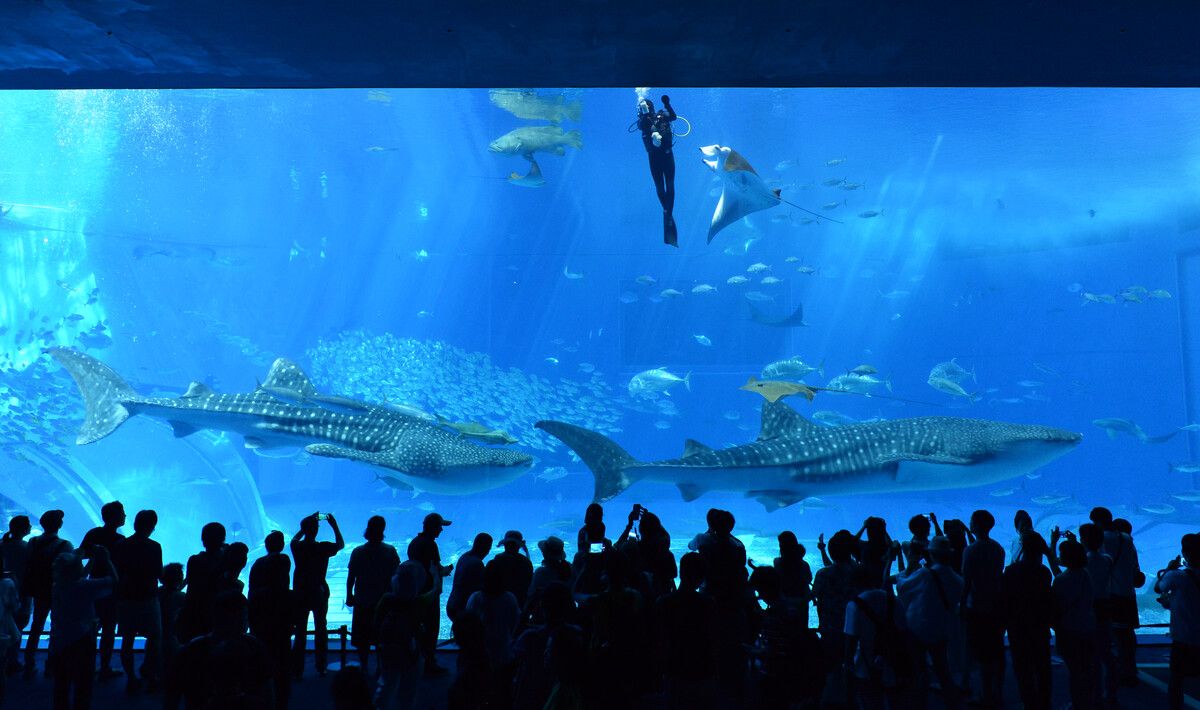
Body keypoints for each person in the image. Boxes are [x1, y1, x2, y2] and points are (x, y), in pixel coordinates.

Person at [165, 593, 274, 709]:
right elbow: (268, 695)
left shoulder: (192, 649)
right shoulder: (255, 647)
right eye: (242, 617)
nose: (244, 622)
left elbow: (172, 697)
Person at [896, 535, 964, 709]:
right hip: (941, 630)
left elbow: (903, 587)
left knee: (920, 670)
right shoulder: (958, 580)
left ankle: (921, 703)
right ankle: (952, 702)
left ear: (931, 554)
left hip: (918, 630)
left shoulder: (925, 574)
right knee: (943, 668)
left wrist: (908, 565)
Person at [51, 546, 116, 710]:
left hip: (60, 638)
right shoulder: (85, 587)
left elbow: (76, 576)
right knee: (84, 681)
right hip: (83, 637)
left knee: (61, 681)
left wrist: (90, 561)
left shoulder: (57, 585)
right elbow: (115, 582)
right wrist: (106, 560)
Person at [656, 552, 719, 710]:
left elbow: (660, 639)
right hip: (703, 668)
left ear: (680, 571)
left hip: (674, 668)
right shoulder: (709, 603)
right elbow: (713, 637)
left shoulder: (664, 602)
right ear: (702, 577)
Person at [112, 509, 163, 694]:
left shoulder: (121, 545)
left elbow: (116, 572)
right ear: (152, 526)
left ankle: (131, 678)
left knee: (127, 639)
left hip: (126, 598)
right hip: (148, 597)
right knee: (155, 637)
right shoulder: (154, 546)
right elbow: (159, 573)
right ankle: (149, 674)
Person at [1091, 506, 1143, 686]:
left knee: (1111, 634)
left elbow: (1096, 563)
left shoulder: (1103, 540)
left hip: (1111, 594)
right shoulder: (1127, 539)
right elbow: (1136, 566)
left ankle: (1117, 672)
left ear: (1097, 522)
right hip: (1128, 593)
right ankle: (1130, 668)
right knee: (1127, 634)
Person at [1003, 532, 1053, 710]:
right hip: (1039, 626)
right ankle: (1045, 703)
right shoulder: (1044, 573)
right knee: (1042, 667)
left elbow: (1005, 600)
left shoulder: (1011, 571)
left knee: (1023, 668)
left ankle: (1029, 703)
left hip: (1017, 627)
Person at [512, 581, 582, 710]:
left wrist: (528, 607)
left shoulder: (530, 638)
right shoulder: (577, 635)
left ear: (542, 606)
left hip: (532, 699)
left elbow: (513, 648)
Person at [961, 509, 1006, 707]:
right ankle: (998, 691)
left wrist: (962, 604)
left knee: (981, 652)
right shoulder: (998, 548)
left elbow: (967, 580)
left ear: (976, 525)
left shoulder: (970, 550)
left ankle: (985, 694)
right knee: (997, 650)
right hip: (996, 605)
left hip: (977, 606)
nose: (969, 523)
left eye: (971, 521)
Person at [291, 512, 344, 677]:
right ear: (316, 530)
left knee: (300, 630)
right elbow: (340, 544)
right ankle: (321, 666)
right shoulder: (322, 547)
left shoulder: (297, 547)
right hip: (318, 590)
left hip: (300, 591)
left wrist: (304, 526)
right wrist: (334, 525)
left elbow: (294, 539)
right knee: (321, 627)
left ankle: (297, 669)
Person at [346, 515, 400, 671]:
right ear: (383, 530)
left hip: (363, 599)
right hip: (383, 600)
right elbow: (396, 575)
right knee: (381, 636)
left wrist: (349, 595)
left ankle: (363, 666)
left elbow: (351, 577)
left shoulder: (357, 551)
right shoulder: (390, 551)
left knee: (362, 638)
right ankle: (380, 668)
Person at [79, 500, 126, 681]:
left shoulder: (94, 533)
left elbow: (82, 554)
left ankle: (86, 665)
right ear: (115, 517)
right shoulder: (120, 540)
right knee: (108, 629)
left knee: (90, 627)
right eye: (122, 513)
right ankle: (104, 666)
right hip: (110, 588)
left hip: (92, 587)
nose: (125, 516)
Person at [465, 561, 522, 705]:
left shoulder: (475, 598)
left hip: (479, 653)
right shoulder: (509, 598)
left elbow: (468, 624)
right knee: (503, 692)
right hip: (503, 652)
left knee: (477, 692)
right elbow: (515, 624)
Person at [24, 509, 73, 678]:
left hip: (38, 589)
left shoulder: (33, 542)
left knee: (36, 625)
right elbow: (69, 569)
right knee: (57, 627)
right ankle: (52, 664)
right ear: (59, 525)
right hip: (57, 590)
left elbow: (28, 563)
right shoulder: (65, 545)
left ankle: (28, 662)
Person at [1154, 533, 1200, 710]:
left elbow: (1159, 587)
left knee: (1176, 679)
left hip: (1184, 637)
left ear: (1185, 554)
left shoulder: (1176, 576)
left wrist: (1169, 568)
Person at [248, 530, 292, 710]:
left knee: (262, 653)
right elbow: (282, 587)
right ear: (281, 546)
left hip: (259, 614)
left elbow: (252, 589)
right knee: (281, 656)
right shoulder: (283, 560)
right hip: (278, 615)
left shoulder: (257, 563)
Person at [1052, 539, 1097, 710]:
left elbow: (1057, 606)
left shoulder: (1061, 580)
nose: (1059, 556)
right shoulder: (1086, 574)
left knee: (1075, 671)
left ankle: (1078, 704)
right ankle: (1089, 702)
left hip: (1069, 630)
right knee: (1087, 668)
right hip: (1087, 628)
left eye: (1062, 554)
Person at [407, 512, 453, 677]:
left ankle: (417, 659)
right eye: (439, 526)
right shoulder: (430, 545)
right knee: (431, 627)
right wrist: (445, 571)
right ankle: (429, 662)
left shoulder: (415, 542)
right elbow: (434, 567)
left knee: (418, 628)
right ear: (432, 527)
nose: (441, 530)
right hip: (429, 593)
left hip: (415, 591)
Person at [375, 561, 425, 710]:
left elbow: (376, 621)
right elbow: (436, 591)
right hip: (410, 651)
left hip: (387, 648)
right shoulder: (419, 602)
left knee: (387, 682)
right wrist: (436, 576)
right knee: (409, 687)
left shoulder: (386, 599)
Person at [1080, 522, 1118, 705]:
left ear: (1083, 540)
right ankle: (1111, 693)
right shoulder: (1108, 559)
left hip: (1089, 609)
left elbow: (1071, 563)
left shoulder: (1084, 561)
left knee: (1090, 655)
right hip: (1106, 607)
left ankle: (1093, 697)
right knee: (1106, 653)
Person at [636, 94, 679, 246]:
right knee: (661, 186)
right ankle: (668, 212)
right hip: (655, 158)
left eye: (644, 107)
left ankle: (667, 212)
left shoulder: (662, 115)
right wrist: (645, 114)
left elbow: (673, 116)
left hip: (666, 155)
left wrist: (667, 104)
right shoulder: (642, 121)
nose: (641, 110)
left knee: (669, 185)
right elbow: (643, 125)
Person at [178, 521, 227, 643]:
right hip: (217, 610)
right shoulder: (225, 560)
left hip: (194, 610)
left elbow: (188, 581)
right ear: (222, 539)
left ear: (203, 540)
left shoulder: (194, 560)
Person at [1, 515, 31, 675]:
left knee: (5, 625)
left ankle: (6, 658)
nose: (31, 526)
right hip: (22, 591)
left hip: (3, 591)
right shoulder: (26, 548)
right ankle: (12, 660)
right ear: (23, 529)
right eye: (28, 524)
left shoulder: (2, 545)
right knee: (18, 626)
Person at [446, 533, 491, 623]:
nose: (488, 551)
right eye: (488, 548)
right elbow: (479, 588)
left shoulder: (464, 556)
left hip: (452, 604)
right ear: (484, 547)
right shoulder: (477, 563)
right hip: (463, 609)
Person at [526, 536, 571, 624]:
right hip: (566, 615)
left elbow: (531, 595)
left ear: (544, 554)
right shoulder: (569, 569)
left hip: (544, 616)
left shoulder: (541, 573)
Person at [491, 530, 534, 610]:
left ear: (504, 544)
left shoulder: (498, 559)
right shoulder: (525, 561)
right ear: (519, 546)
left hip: (498, 601)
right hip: (520, 602)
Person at [158, 563, 186, 675]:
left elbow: (171, 589)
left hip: (158, 635)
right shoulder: (181, 597)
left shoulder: (158, 592)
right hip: (172, 635)